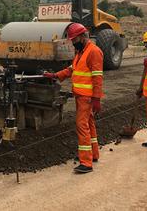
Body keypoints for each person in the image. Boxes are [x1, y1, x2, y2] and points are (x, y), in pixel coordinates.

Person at [43, 23, 104, 173]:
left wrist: (96, 99)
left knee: (81, 125)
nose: (73, 43)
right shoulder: (81, 52)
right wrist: (56, 75)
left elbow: (97, 78)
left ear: (83, 37)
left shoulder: (93, 52)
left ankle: (86, 162)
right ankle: (93, 154)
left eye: (74, 39)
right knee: (89, 124)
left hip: (87, 97)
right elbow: (72, 69)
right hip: (81, 96)